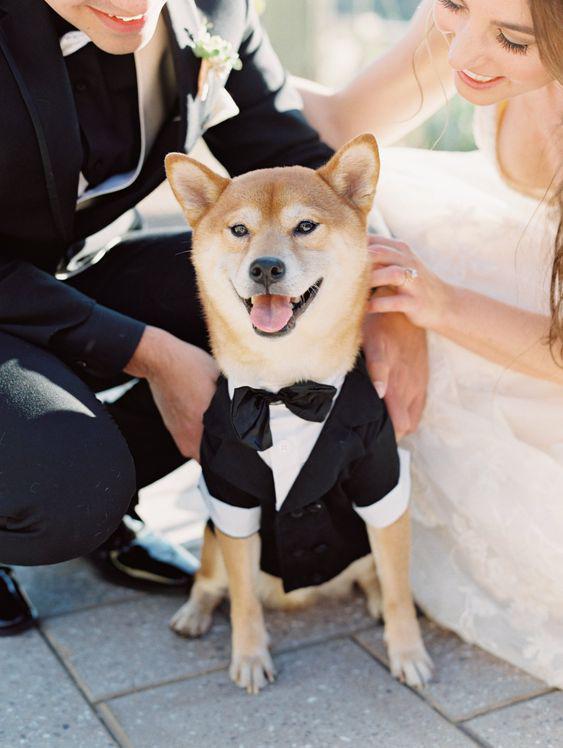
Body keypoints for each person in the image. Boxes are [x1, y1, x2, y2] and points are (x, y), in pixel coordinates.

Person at [0, 0, 343, 635]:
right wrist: (152, 355)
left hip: (71, 268)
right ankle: (51, 484)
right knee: (67, 492)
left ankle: (98, 481)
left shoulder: (215, 8)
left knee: (292, 310)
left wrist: (386, 285)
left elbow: (292, 154)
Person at [297, 0, 563, 687]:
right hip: (522, 245)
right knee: (335, 227)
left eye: (509, 41)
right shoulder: (479, 16)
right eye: (451, 6)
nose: (461, 54)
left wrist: (436, 303)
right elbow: (335, 122)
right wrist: (199, 65)